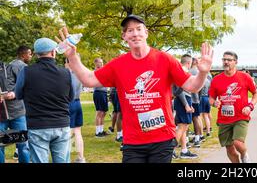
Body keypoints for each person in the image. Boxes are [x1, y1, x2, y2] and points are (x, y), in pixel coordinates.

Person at [60, 14, 213, 163]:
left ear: (146, 33)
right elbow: (89, 79)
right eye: (130, 30)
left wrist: (203, 73)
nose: (135, 33)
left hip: (162, 139)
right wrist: (73, 57)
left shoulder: (165, 60)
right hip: (133, 142)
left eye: (139, 29)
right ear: (124, 36)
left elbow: (192, 86)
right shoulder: (118, 64)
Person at [15, 38, 73, 163]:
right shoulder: (65, 73)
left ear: (36, 54)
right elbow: (71, 97)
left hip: (37, 126)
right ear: (53, 52)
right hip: (61, 124)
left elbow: (18, 95)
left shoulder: (26, 72)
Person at [209, 51, 257, 163]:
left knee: (238, 142)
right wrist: (214, 103)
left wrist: (250, 106)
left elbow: (256, 93)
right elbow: (211, 98)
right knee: (229, 148)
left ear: (235, 62)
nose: (226, 62)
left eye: (229, 60)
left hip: (241, 116)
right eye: (224, 59)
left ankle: (244, 154)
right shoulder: (216, 79)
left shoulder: (245, 77)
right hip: (224, 119)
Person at [0, 46, 32, 163]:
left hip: (15, 112)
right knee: (19, 145)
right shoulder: (18, 65)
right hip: (6, 114)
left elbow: (23, 86)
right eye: (29, 54)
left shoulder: (14, 65)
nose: (31, 56)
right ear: (23, 55)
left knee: (21, 144)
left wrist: (14, 93)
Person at [173, 54, 197, 159]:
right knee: (182, 126)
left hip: (185, 99)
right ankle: (171, 150)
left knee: (184, 126)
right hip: (183, 100)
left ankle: (184, 150)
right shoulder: (182, 71)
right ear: (188, 63)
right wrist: (187, 105)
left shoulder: (181, 70)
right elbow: (180, 89)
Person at [66, 57, 86, 163]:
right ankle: (81, 157)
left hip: (69, 102)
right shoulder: (80, 74)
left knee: (68, 132)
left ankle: (67, 158)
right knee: (77, 131)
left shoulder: (67, 74)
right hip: (77, 102)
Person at [189, 58, 205, 148]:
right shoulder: (199, 72)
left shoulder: (188, 71)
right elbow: (201, 86)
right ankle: (197, 138)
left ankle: (187, 140)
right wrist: (198, 98)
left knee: (186, 122)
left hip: (188, 99)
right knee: (196, 118)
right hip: (195, 99)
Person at [92, 58, 109, 138]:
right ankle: (97, 132)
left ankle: (101, 130)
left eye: (102, 62)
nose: (102, 64)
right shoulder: (95, 72)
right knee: (99, 112)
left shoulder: (102, 71)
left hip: (104, 92)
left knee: (104, 112)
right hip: (98, 92)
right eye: (100, 62)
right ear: (96, 63)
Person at [199, 72, 212, 137]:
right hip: (207, 98)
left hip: (202, 98)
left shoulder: (201, 80)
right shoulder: (209, 81)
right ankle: (208, 131)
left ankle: (200, 132)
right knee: (206, 115)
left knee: (200, 116)